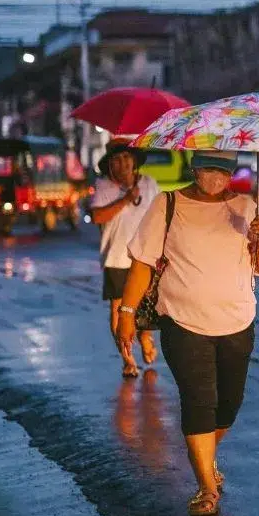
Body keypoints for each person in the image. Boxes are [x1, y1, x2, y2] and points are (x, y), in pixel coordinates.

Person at [115, 150, 259, 516]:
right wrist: (126, 312)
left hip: (237, 322)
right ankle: (206, 486)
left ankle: (204, 452)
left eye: (223, 170)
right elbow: (143, 263)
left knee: (229, 404)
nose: (216, 177)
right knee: (199, 401)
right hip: (182, 321)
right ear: (194, 168)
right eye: (209, 168)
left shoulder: (246, 206)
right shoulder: (168, 203)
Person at [90, 139, 162, 378]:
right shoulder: (104, 187)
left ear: (135, 162)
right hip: (117, 259)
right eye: (116, 160)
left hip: (146, 258)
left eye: (126, 159)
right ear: (109, 165)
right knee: (119, 310)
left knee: (147, 307)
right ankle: (128, 358)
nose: (121, 164)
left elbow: (162, 218)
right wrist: (125, 200)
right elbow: (98, 217)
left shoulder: (151, 185)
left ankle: (145, 336)